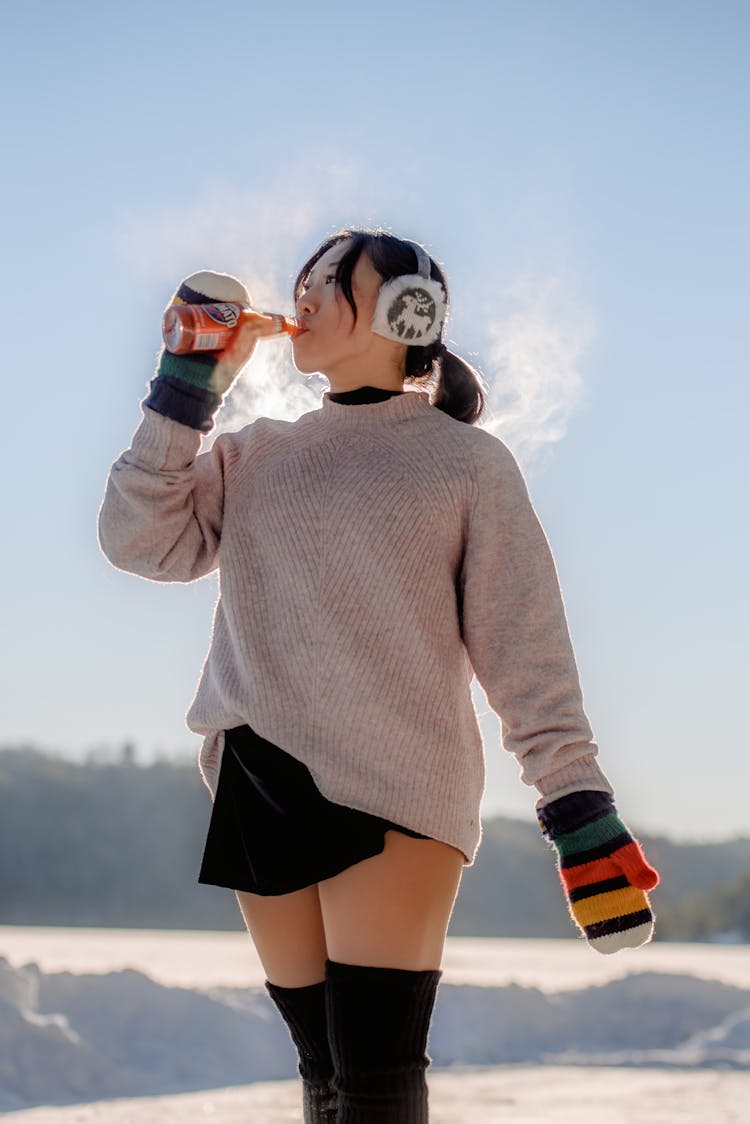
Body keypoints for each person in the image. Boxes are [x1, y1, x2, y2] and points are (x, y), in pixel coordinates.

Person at [98, 228, 660, 1123]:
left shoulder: (466, 464)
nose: (305, 298)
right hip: (257, 777)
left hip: (395, 786)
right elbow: (138, 541)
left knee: (375, 1077)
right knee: (323, 1075)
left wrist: (579, 813)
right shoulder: (254, 454)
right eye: (302, 283)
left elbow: (526, 649)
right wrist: (187, 387)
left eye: (331, 282)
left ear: (410, 310)